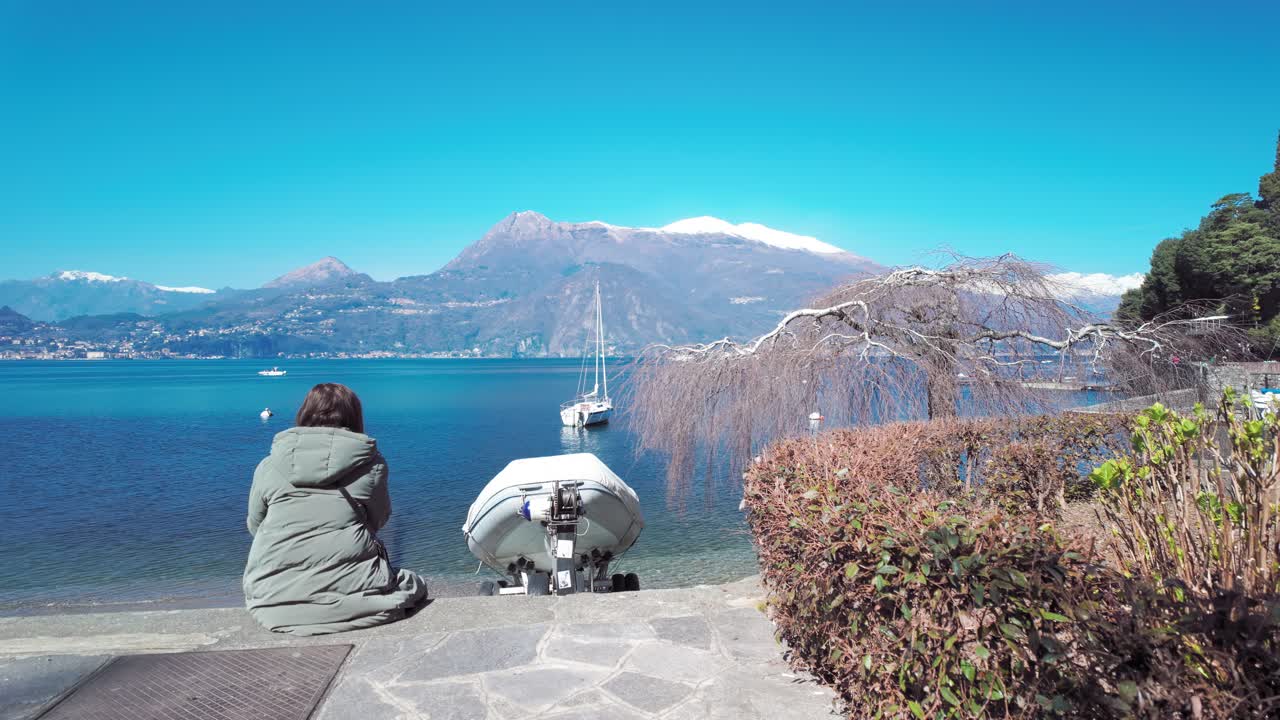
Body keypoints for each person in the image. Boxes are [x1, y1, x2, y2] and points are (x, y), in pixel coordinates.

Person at [243, 383, 428, 635]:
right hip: (354, 590)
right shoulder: (372, 466)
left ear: (305, 413)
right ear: (354, 416)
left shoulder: (268, 466)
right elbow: (378, 519)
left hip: (271, 599)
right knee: (413, 584)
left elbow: (256, 525)